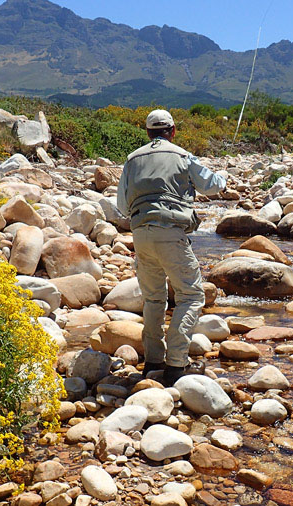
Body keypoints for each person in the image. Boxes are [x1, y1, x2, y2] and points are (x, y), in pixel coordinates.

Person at [116, 109, 226, 386]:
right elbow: (213, 186)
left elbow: (121, 205)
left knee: (153, 299)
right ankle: (176, 363)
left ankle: (153, 359)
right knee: (190, 296)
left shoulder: (132, 159)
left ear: (148, 132)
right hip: (172, 233)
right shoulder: (182, 155)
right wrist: (222, 177)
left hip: (140, 234)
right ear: (173, 131)